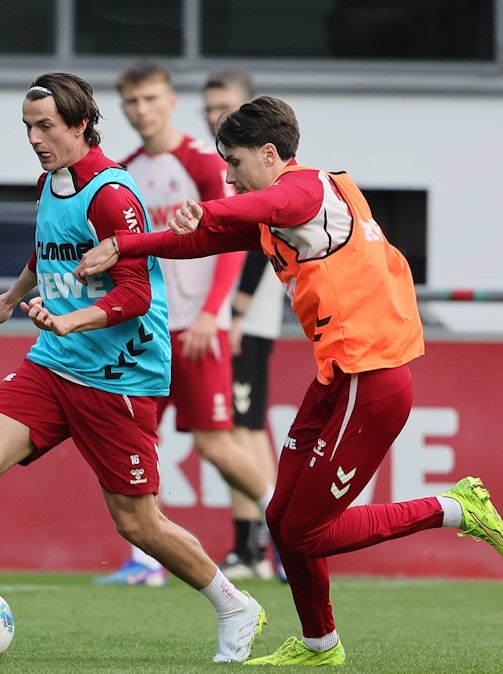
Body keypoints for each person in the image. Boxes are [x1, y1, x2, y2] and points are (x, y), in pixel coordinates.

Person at [75, 95, 503, 667]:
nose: (228, 176)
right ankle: (320, 645)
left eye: (235, 162)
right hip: (339, 379)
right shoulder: (282, 210)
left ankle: (452, 507)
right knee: (281, 519)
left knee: (306, 532)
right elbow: (201, 242)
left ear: (270, 153)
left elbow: (266, 203)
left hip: (371, 382)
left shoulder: (305, 188)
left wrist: (208, 209)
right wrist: (126, 246)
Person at [0, 72, 266, 664]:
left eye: (45, 126)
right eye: (27, 127)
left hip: (118, 375)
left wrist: (71, 321)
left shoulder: (112, 194)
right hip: (54, 362)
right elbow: (47, 245)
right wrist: (10, 297)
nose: (34, 138)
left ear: (80, 125)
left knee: (138, 523)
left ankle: (234, 605)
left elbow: (136, 295)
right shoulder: (52, 180)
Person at [94, 59, 275, 587]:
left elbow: (234, 241)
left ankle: (286, 529)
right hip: (146, 330)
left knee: (216, 445)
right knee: (136, 441)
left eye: (151, 98)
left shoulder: (203, 161)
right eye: (132, 101)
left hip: (197, 328)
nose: (141, 110)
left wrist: (213, 314)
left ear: (171, 102)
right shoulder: (124, 171)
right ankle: (147, 560)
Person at [202, 69, 284, 581]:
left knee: (241, 431)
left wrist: (235, 313)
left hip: (244, 322)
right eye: (209, 107)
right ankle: (254, 546)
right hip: (232, 318)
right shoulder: (227, 163)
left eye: (225, 107)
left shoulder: (251, 168)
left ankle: (265, 542)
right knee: (240, 429)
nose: (216, 116)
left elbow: (257, 237)